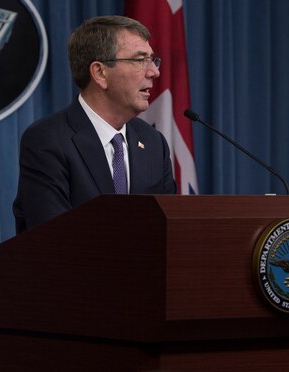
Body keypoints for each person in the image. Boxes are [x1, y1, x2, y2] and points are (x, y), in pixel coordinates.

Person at [13, 15, 177, 233]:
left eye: (152, 60)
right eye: (140, 60)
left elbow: (170, 229)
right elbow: (52, 237)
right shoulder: (48, 140)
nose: (154, 72)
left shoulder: (153, 142)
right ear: (100, 73)